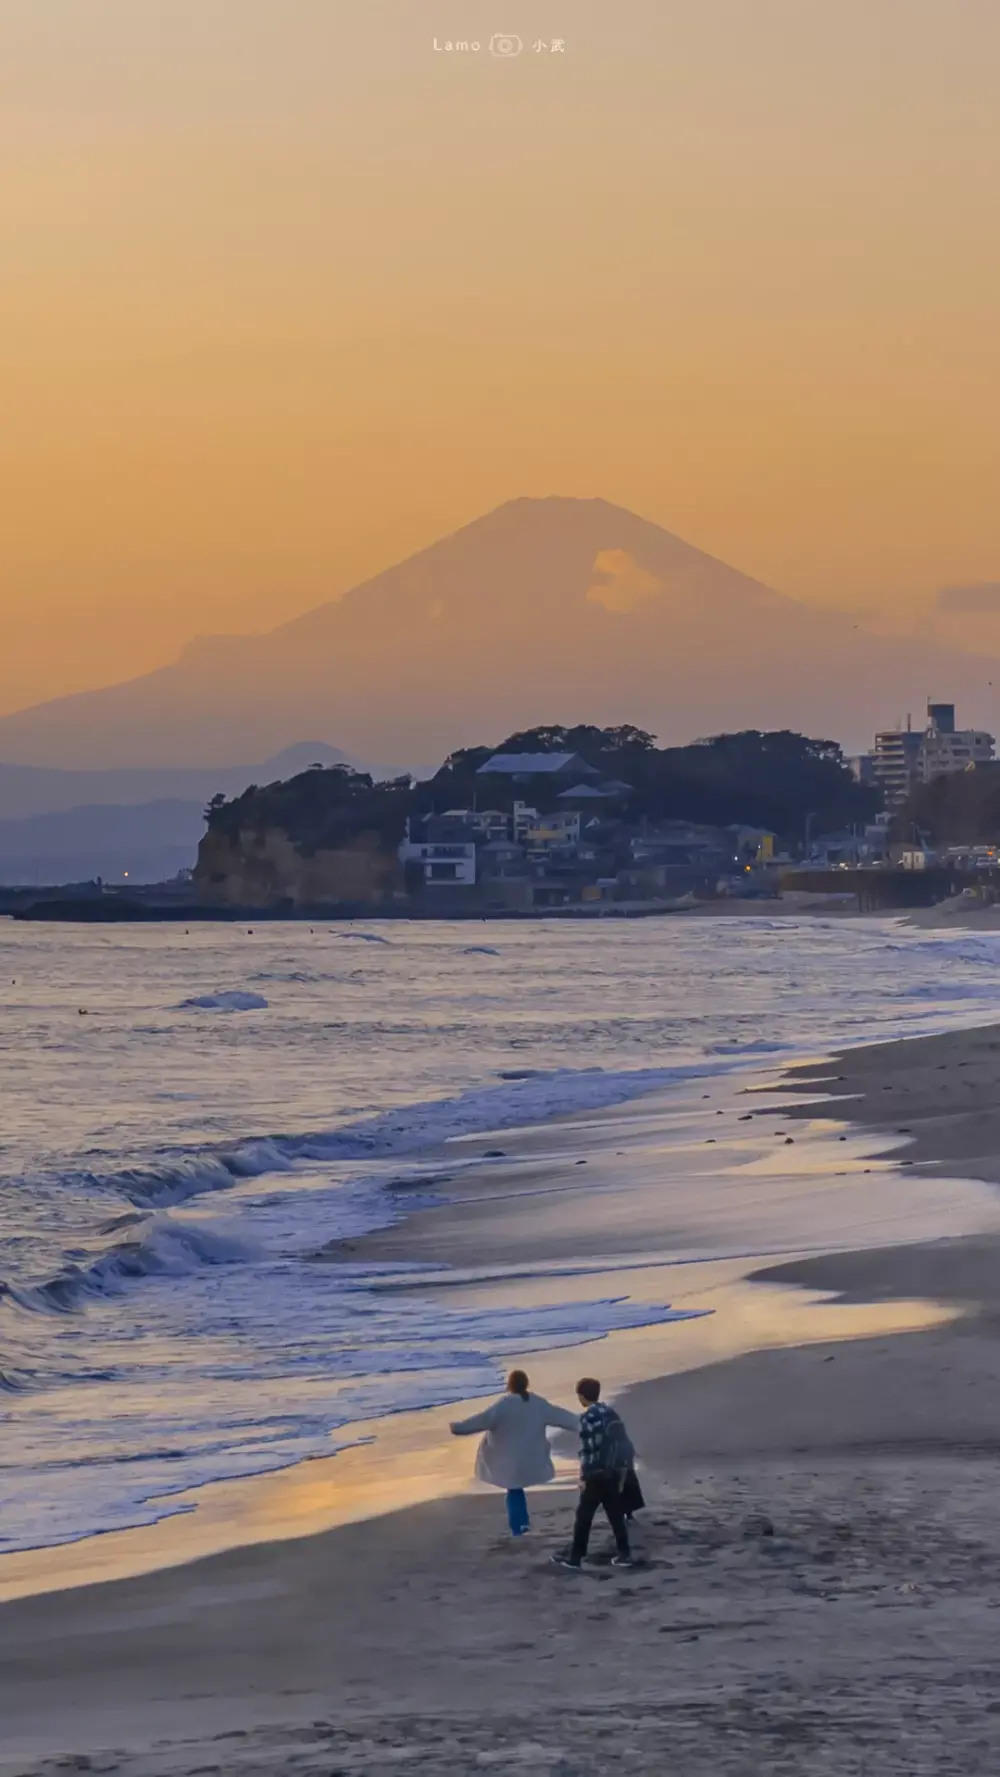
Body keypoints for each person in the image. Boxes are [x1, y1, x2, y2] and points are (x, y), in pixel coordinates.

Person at [450, 1369, 580, 1536]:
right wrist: (588, 1421)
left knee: (513, 1490)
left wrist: (457, 1428)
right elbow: (564, 1417)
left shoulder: (504, 1405)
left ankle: (519, 1526)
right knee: (515, 1490)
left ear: (509, 1385)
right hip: (530, 1456)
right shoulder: (538, 1403)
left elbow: (481, 1421)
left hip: (508, 1459)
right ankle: (521, 1523)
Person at [551, 1377, 635, 1569]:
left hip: (595, 1474)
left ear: (582, 1396)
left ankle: (575, 1558)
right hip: (613, 1471)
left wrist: (584, 1477)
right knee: (615, 1515)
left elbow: (589, 1451)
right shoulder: (610, 1412)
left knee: (583, 1516)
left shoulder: (587, 1418)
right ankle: (625, 1554)